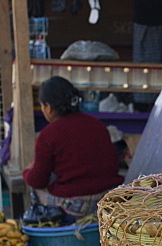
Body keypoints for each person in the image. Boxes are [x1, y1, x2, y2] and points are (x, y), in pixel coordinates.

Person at [22, 76, 123, 219]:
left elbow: (37, 180)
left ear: (49, 107)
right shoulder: (98, 125)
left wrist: (26, 171)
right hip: (110, 199)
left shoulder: (47, 135)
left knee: (34, 189)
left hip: (76, 205)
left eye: (42, 106)